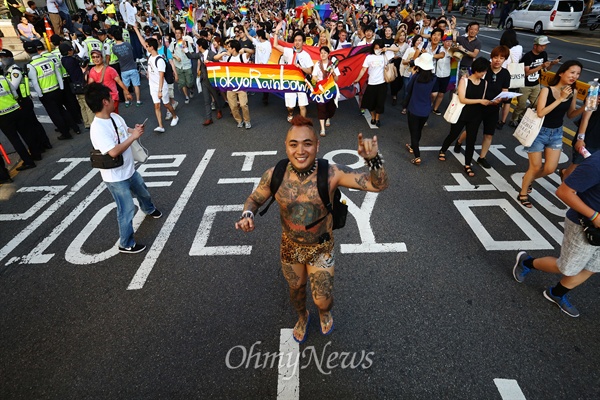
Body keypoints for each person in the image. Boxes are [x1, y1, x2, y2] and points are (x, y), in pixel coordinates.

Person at [235, 116, 389, 343]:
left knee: (322, 300)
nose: (300, 150)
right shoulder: (274, 175)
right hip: (290, 247)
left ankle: (324, 313)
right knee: (296, 294)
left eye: (307, 143)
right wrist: (247, 214)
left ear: (317, 145)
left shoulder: (331, 173)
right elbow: (254, 199)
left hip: (321, 248)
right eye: (293, 144)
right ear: (286, 146)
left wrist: (374, 160)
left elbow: (378, 184)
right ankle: (301, 316)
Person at [513, 150, 600, 318]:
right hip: (585, 226)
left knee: (593, 267)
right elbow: (564, 192)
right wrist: (595, 216)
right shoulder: (596, 164)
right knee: (566, 267)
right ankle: (527, 262)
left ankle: (557, 293)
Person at [86, 82, 162, 254]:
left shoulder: (114, 117)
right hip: (115, 177)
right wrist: (133, 137)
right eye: (112, 96)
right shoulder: (98, 128)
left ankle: (148, 209)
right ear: (105, 101)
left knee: (143, 191)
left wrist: (133, 130)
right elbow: (113, 152)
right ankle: (126, 243)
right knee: (126, 209)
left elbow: (124, 130)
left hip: (129, 169)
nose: (115, 98)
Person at [517, 60, 583, 208]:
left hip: (556, 133)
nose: (575, 76)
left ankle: (528, 179)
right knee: (535, 166)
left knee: (550, 169)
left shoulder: (573, 92)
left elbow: (571, 115)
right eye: (572, 72)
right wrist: (560, 99)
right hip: (539, 132)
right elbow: (540, 113)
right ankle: (523, 193)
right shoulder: (547, 90)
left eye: (578, 74)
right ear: (561, 73)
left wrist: (585, 107)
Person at [438, 57, 491, 178]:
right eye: (483, 71)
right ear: (476, 70)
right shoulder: (464, 81)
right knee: (453, 133)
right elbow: (462, 99)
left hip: (476, 115)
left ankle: (467, 164)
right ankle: (443, 150)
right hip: (462, 113)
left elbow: (482, 98)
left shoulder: (485, 83)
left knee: (471, 140)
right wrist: (480, 101)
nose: (484, 73)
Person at [25, 40, 79, 141]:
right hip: (57, 88)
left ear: (26, 52)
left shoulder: (30, 66)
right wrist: (61, 87)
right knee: (62, 110)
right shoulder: (48, 59)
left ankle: (65, 133)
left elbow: (35, 83)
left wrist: (40, 95)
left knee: (55, 114)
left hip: (46, 93)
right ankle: (75, 128)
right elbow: (58, 74)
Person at [133, 27, 178, 132]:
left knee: (166, 104)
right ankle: (161, 126)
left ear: (152, 47)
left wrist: (160, 90)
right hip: (152, 86)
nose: (146, 48)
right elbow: (143, 42)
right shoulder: (150, 56)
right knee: (156, 105)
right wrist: (136, 29)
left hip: (161, 86)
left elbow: (161, 76)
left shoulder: (160, 59)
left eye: (148, 46)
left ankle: (175, 116)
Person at [510, 35, 560, 127]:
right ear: (535, 46)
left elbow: (546, 69)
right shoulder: (528, 56)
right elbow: (527, 72)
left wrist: (551, 64)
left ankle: (522, 116)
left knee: (536, 104)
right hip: (525, 85)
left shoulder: (544, 54)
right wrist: (541, 66)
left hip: (536, 83)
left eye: (545, 45)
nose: (543, 47)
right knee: (521, 105)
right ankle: (514, 119)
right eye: (541, 45)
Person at [273, 24, 314, 122]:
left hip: (301, 82)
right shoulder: (288, 51)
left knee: (302, 105)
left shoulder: (306, 55)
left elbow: (310, 71)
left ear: (303, 42)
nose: (297, 43)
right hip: (290, 82)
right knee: (290, 106)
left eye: (299, 40)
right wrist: (276, 32)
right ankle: (290, 113)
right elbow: (275, 45)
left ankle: (303, 122)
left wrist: (301, 67)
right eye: (295, 40)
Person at [404, 53, 437, 165]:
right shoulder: (434, 78)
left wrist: (412, 74)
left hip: (413, 108)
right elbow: (434, 95)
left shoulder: (416, 77)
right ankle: (413, 146)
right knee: (419, 130)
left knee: (413, 132)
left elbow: (408, 89)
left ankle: (417, 156)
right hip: (425, 109)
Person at [183, 38, 223, 126]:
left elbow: (218, 65)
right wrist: (185, 48)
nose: (197, 47)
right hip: (203, 79)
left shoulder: (212, 54)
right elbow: (191, 56)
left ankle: (219, 110)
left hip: (212, 80)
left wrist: (210, 62)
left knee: (215, 97)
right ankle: (209, 118)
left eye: (197, 45)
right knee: (206, 99)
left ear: (200, 46)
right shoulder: (200, 54)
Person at [354, 39, 387, 127]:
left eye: (380, 48)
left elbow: (397, 50)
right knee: (371, 102)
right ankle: (372, 116)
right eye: (376, 48)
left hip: (382, 83)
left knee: (380, 103)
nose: (378, 50)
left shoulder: (385, 56)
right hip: (372, 83)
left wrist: (387, 50)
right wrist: (357, 79)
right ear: (373, 48)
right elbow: (363, 69)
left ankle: (377, 118)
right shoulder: (369, 57)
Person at [87, 49, 132, 114]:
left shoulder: (110, 70)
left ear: (102, 58)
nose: (95, 59)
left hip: (112, 98)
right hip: (101, 99)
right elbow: (90, 85)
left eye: (97, 57)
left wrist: (127, 93)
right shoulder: (92, 71)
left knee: (114, 116)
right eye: (93, 57)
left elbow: (119, 81)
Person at [560, 108, 600, 180]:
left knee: (592, 168)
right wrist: (580, 139)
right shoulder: (595, 96)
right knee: (577, 165)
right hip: (589, 139)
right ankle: (565, 182)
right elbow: (585, 118)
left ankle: (565, 174)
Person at [312, 46, 340, 137]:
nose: (323, 54)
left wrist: (333, 72)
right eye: (321, 53)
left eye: (325, 53)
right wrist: (317, 81)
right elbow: (314, 76)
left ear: (328, 54)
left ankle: (328, 117)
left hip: (330, 89)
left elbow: (337, 79)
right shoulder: (317, 64)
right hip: (321, 89)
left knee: (331, 108)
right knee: (321, 108)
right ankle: (322, 129)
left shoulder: (333, 65)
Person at [497, 29, 523, 129]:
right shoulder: (519, 48)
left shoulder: (502, 49)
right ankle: (503, 121)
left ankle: (495, 119)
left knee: (499, 100)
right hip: (513, 77)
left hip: (502, 75)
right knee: (507, 102)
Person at [170, 27, 195, 104]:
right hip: (178, 66)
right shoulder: (173, 44)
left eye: (179, 33)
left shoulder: (185, 42)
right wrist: (176, 57)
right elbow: (169, 53)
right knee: (182, 83)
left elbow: (191, 53)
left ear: (182, 34)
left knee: (189, 82)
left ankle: (191, 88)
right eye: (176, 33)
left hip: (187, 65)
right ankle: (186, 96)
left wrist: (186, 49)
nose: (177, 34)